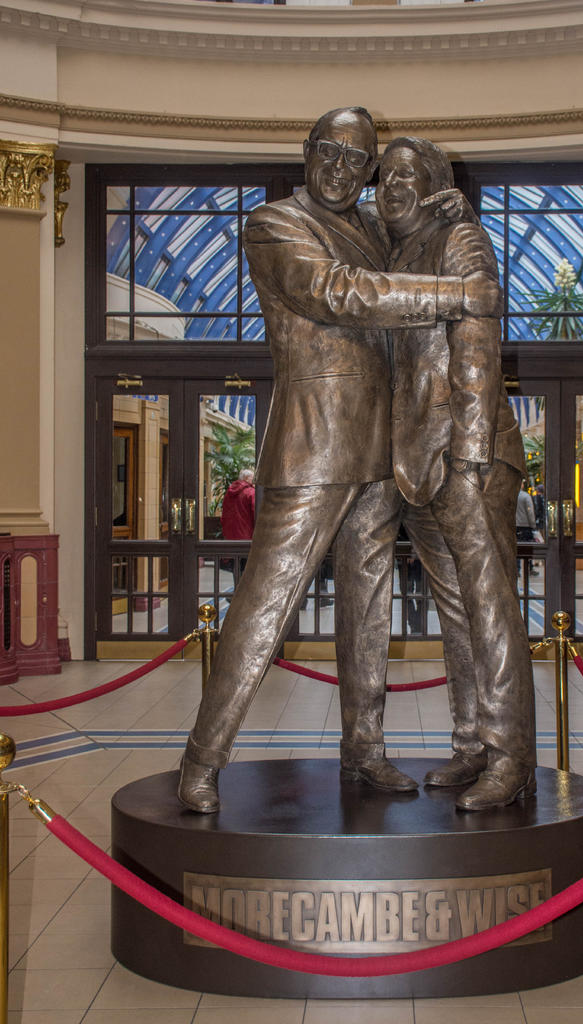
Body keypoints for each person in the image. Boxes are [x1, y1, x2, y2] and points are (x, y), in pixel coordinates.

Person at [178, 107, 498, 813]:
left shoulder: (374, 227)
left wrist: (452, 208)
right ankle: (201, 759)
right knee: (265, 604)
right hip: (313, 446)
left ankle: (365, 748)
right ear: (307, 150)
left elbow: (418, 222)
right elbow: (335, 293)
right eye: (329, 151)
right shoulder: (274, 224)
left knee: (368, 606)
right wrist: (456, 295)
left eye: (358, 161)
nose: (340, 169)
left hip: (383, 449)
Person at [336, 137, 536, 811]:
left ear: (432, 186)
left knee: (489, 608)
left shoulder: (459, 238)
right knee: (456, 607)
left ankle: (510, 760)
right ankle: (472, 744)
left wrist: (471, 454)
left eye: (407, 175)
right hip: (416, 460)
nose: (390, 186)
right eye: (384, 176)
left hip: (465, 453)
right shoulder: (391, 249)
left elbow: (476, 346)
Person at [220, 468, 255, 540]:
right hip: (245, 533)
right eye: (253, 478)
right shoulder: (251, 492)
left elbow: (224, 510)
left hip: (229, 533)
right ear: (246, 478)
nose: (254, 480)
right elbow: (255, 512)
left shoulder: (229, 492)